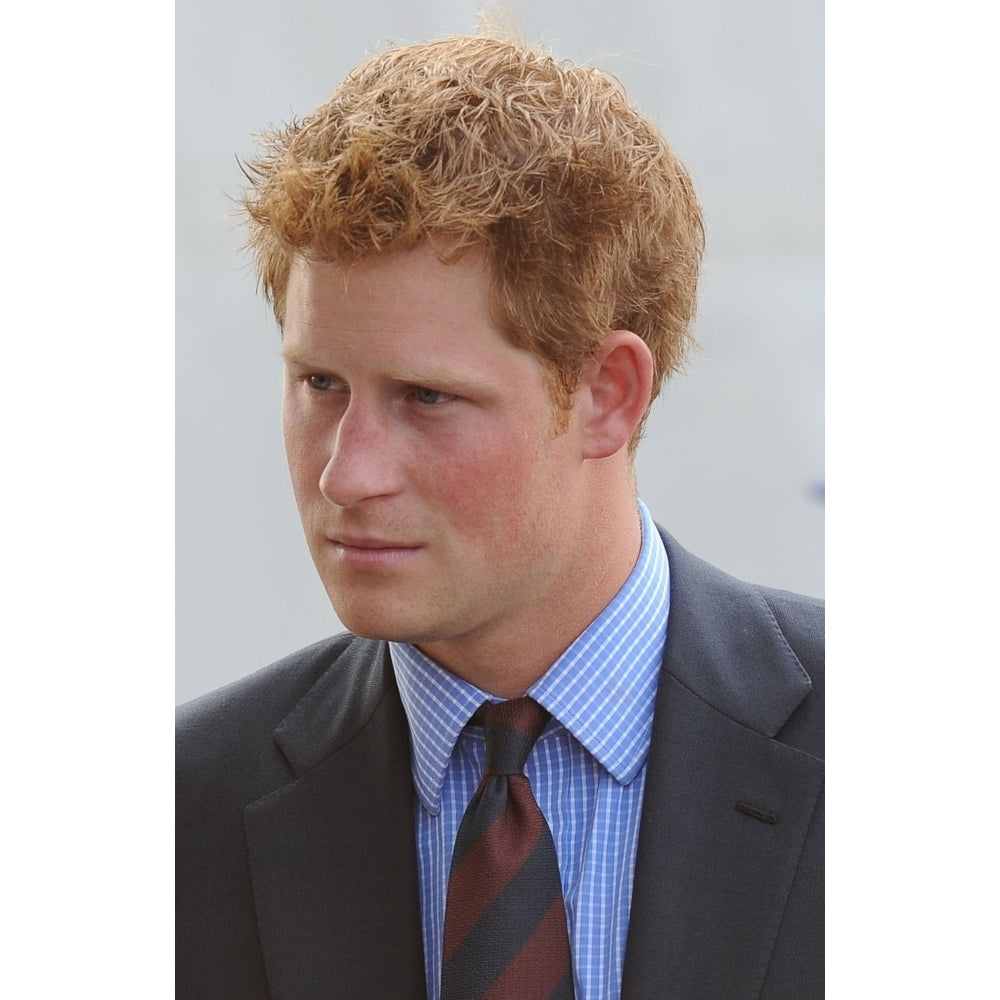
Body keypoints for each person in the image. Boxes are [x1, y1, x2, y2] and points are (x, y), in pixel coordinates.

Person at [176, 30, 823, 1000]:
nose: (346, 474)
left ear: (608, 392)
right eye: (319, 383)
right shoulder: (177, 817)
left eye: (426, 398)